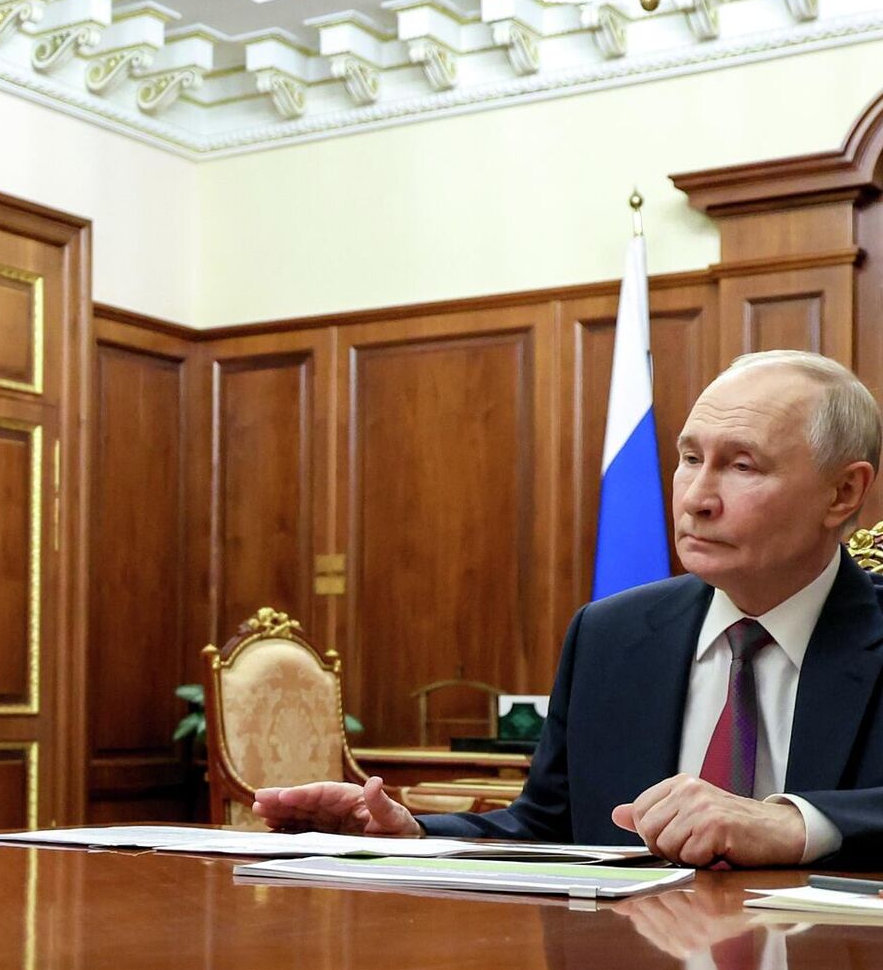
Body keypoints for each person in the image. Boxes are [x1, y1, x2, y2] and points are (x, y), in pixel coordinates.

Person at [254, 350, 883, 866]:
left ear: (843, 492)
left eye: (742, 465)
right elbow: (547, 825)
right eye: (690, 459)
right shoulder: (611, 635)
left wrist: (797, 823)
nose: (697, 497)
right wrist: (410, 835)